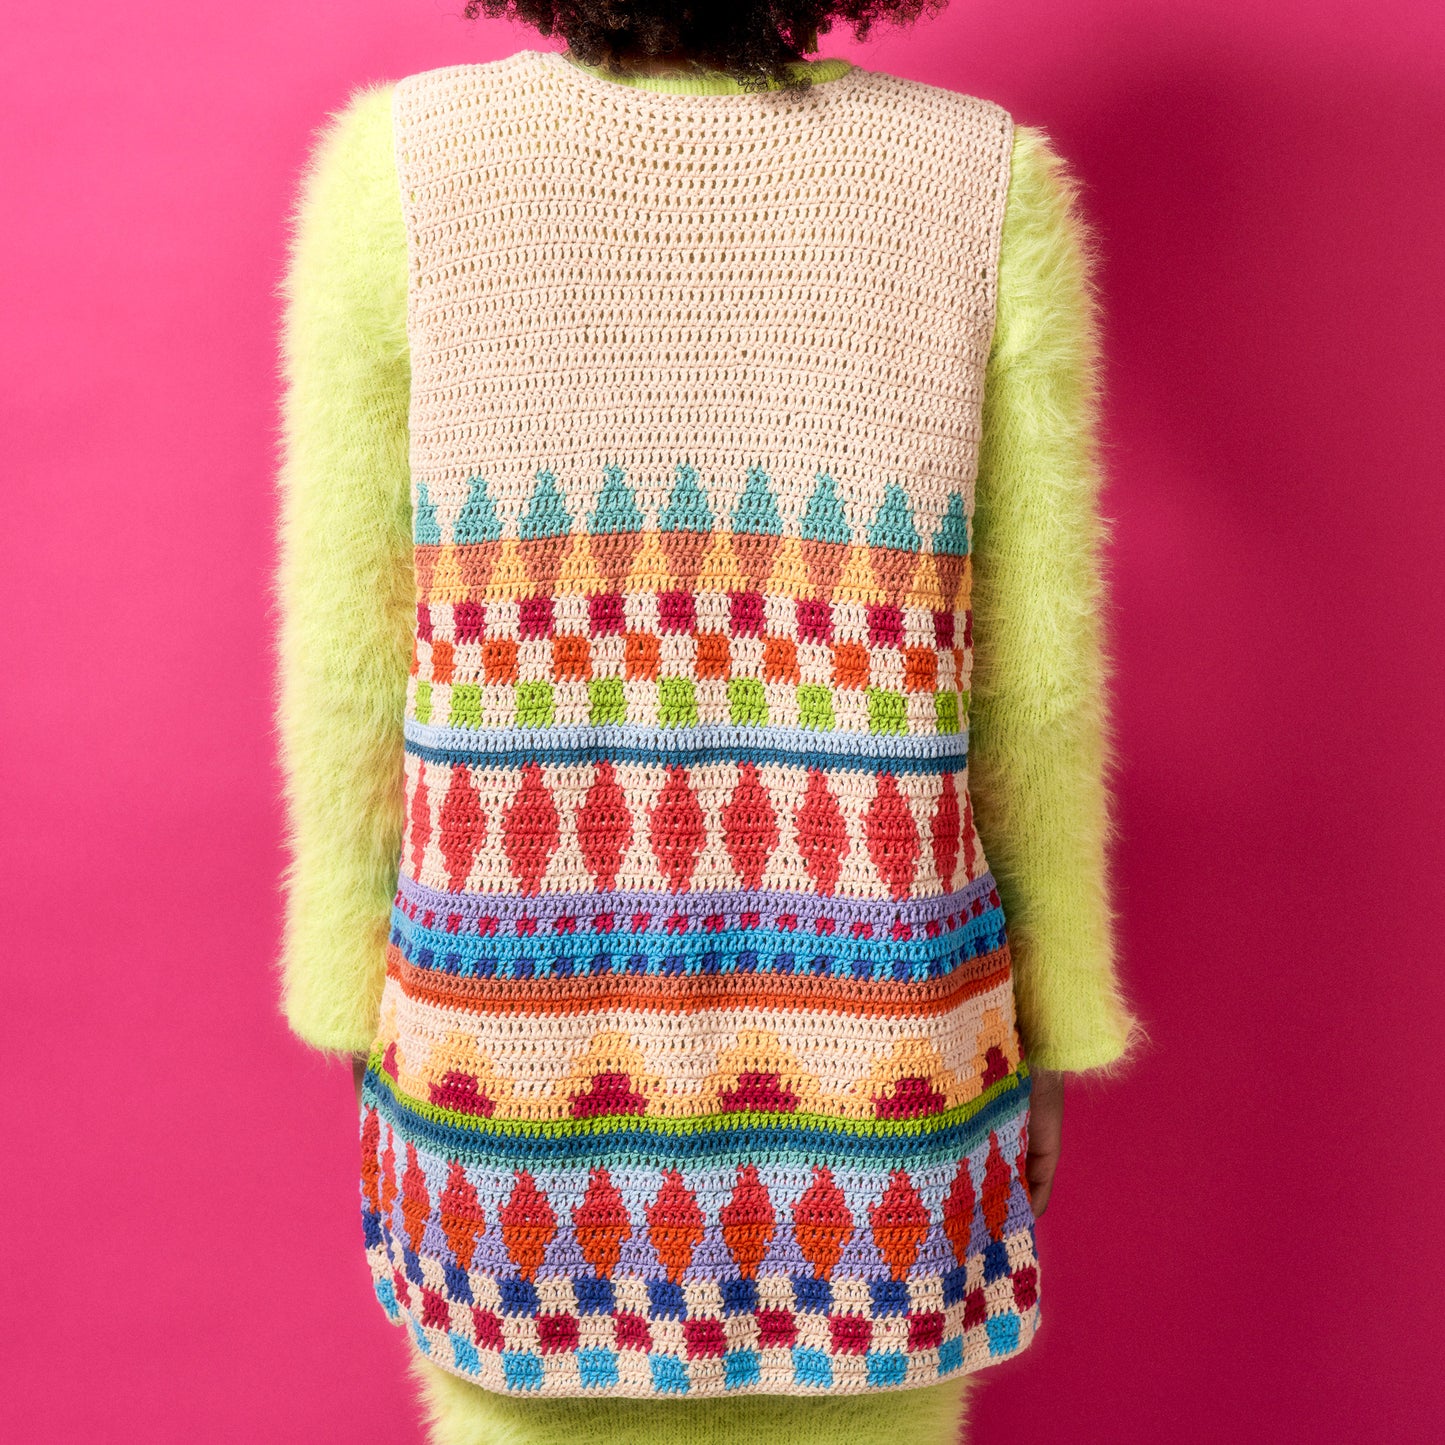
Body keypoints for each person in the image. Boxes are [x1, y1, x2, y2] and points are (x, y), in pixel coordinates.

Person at [272, 3, 1139, 1441]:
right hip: (879, 1060)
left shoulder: (401, 171)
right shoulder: (985, 184)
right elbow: (1034, 691)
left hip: (508, 1048)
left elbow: (350, 657)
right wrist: (1052, 1016)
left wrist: (348, 990)